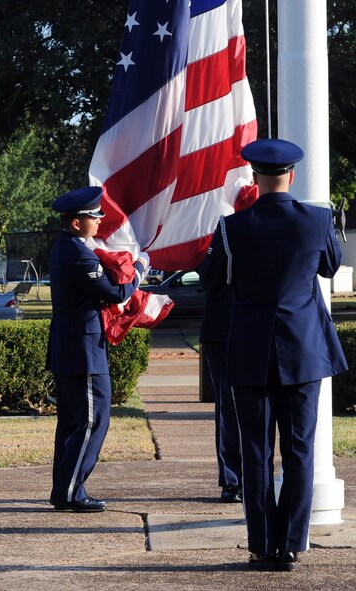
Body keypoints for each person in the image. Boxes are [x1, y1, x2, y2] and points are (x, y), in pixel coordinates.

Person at [199, 138, 348, 571]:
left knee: (256, 451)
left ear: (254, 178)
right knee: (299, 451)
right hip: (303, 351)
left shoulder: (231, 227)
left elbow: (211, 279)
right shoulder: (317, 220)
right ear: (292, 176)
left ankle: (263, 544)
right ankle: (291, 545)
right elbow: (329, 266)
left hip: (249, 351)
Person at [47, 186, 149, 512]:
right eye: (94, 216)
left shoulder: (67, 247)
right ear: (77, 223)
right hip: (83, 350)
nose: (99, 222)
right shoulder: (78, 253)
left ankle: (64, 489)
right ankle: (73, 491)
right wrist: (140, 271)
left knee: (72, 423)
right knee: (92, 420)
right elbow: (114, 292)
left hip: (71, 347)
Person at [200, 278, 242, 504]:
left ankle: (256, 477)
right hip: (222, 326)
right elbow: (207, 273)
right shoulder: (217, 241)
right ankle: (232, 480)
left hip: (260, 322)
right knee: (228, 406)